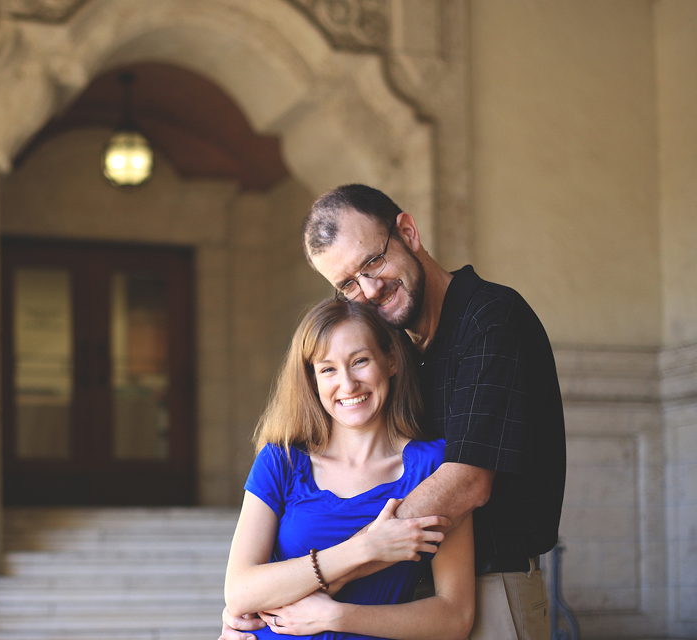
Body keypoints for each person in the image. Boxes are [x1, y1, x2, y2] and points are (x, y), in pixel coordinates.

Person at [223, 184, 565, 640]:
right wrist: (270, 595)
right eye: (348, 284)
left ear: (408, 232)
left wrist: (307, 584)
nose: (369, 289)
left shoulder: (492, 319)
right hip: (403, 589)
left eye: (373, 262)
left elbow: (467, 483)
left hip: (491, 585)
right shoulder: (399, 342)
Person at [224, 298, 475, 640]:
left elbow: (456, 617)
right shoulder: (281, 460)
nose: (348, 384)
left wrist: (337, 616)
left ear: (390, 361)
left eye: (360, 361)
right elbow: (239, 592)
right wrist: (365, 548)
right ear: (312, 380)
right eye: (328, 369)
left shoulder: (434, 467)